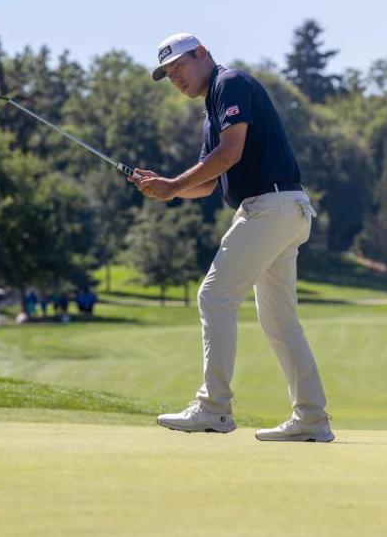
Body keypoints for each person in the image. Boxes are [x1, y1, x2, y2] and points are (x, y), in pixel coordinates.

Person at [134, 33, 333, 442]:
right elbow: (207, 183)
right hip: (285, 209)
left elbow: (230, 154)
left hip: (270, 208)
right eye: (168, 75)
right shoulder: (212, 110)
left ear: (202, 54)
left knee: (214, 295)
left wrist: (173, 186)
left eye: (179, 68)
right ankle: (312, 417)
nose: (176, 79)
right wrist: (165, 186)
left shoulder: (230, 83)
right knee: (279, 321)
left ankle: (213, 408)